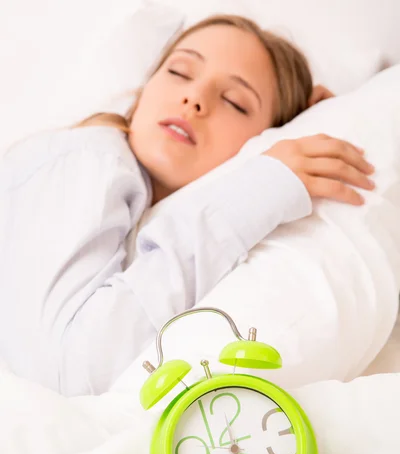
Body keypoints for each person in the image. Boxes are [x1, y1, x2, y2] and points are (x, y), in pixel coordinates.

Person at [0, 14, 375, 396]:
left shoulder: (126, 193)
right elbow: (72, 372)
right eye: (180, 72)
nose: (194, 98)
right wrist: (252, 196)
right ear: (145, 89)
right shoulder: (88, 157)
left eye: (234, 101)